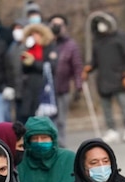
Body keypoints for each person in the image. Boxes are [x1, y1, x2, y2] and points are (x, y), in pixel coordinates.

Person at [84, 11, 125, 144]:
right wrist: (89, 68)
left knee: (124, 105)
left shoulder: (120, 37)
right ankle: (111, 130)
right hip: (103, 79)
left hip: (119, 77)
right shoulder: (97, 41)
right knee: (106, 107)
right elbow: (95, 61)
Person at [47, 15, 83, 148]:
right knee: (49, 119)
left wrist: (78, 86)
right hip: (47, 89)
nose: (56, 28)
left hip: (63, 88)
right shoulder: (47, 43)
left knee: (61, 119)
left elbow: (77, 65)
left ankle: (60, 144)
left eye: (59, 25)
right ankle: (49, 143)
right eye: (53, 25)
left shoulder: (70, 45)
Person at [11, 22, 55, 123]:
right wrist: (25, 63)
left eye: (36, 34)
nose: (34, 37)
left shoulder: (48, 49)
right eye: (32, 34)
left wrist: (34, 62)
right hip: (28, 88)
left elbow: (51, 66)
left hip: (43, 88)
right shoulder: (27, 49)